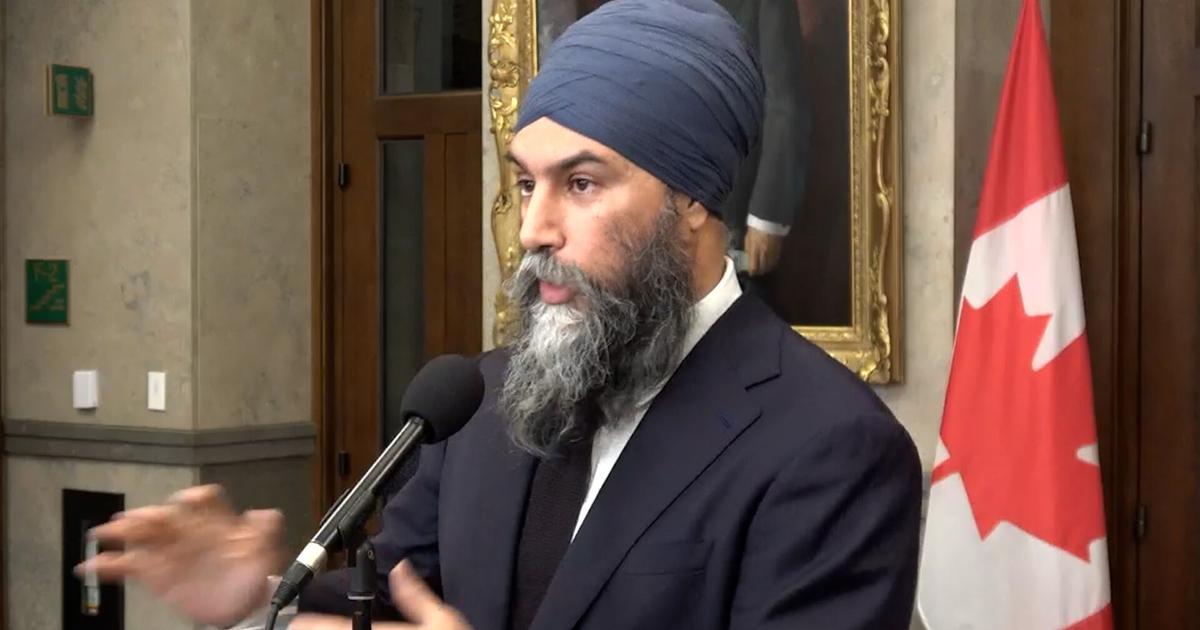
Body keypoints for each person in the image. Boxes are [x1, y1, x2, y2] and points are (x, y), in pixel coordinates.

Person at [80, 1, 922, 628]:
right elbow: (395, 603)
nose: (532, 230)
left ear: (695, 197)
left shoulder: (831, 448)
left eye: (580, 184)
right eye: (525, 182)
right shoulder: (481, 403)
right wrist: (260, 600)